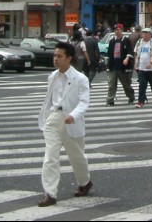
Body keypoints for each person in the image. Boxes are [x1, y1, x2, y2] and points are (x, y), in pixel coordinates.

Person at [37, 41, 91, 207]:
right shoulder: (52, 76)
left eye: (59, 56)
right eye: (55, 55)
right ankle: (50, 193)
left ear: (69, 58)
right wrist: (46, 118)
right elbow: (49, 99)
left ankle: (85, 182)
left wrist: (73, 115)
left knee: (77, 156)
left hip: (70, 120)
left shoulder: (80, 79)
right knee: (50, 157)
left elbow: (84, 102)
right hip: (53, 118)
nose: (55, 58)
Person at [104, 24, 135, 106]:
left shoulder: (126, 40)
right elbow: (109, 53)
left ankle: (131, 97)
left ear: (121, 30)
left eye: (118, 30)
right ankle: (110, 100)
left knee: (126, 85)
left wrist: (127, 58)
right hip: (113, 66)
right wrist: (107, 62)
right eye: (115, 30)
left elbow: (130, 51)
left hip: (123, 67)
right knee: (111, 84)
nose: (116, 32)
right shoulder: (112, 41)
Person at [134, 27, 152, 107]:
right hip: (142, 68)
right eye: (143, 33)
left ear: (150, 34)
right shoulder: (139, 42)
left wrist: (151, 62)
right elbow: (136, 53)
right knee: (142, 85)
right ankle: (140, 101)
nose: (144, 34)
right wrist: (135, 64)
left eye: (146, 33)